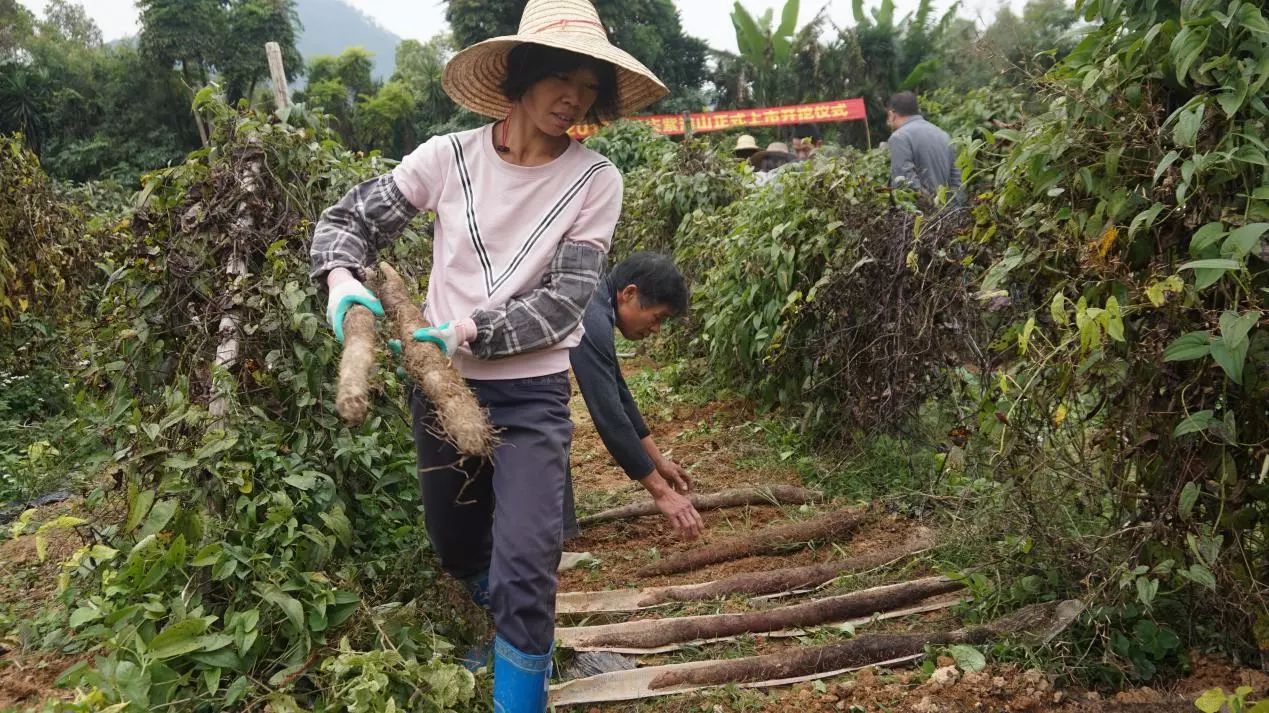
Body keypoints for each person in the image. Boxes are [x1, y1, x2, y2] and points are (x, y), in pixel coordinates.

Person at [309, 1, 667, 710]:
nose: (573, 99)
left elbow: (562, 303)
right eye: (561, 78)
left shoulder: (595, 180)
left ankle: (518, 683)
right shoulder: (446, 158)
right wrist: (342, 282)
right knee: (457, 546)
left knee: (529, 562)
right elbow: (348, 220)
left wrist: (465, 328)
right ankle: (505, 617)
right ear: (520, 75)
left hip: (530, 396)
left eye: (588, 87)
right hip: (441, 390)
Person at [562, 252, 705, 543]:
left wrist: (659, 461)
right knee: (549, 424)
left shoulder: (598, 304)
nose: (655, 329)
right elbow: (608, 413)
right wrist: (660, 492)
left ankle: (554, 539)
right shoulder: (590, 315)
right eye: (657, 318)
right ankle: (545, 544)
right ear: (629, 294)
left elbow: (617, 391)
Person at [885, 91, 961, 196]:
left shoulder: (899, 137)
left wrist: (929, 207)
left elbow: (904, 182)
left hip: (923, 211)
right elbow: (957, 181)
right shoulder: (943, 135)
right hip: (949, 210)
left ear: (892, 114)